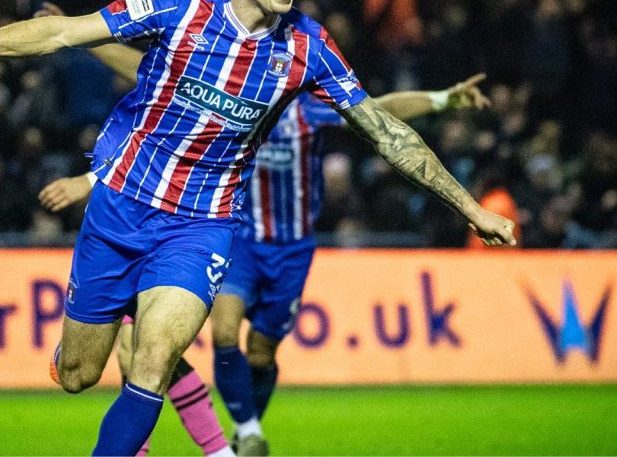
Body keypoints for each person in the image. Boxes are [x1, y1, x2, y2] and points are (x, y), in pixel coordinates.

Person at [0, 0, 515, 456]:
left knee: (151, 361)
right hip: (121, 205)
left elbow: (386, 132)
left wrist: (472, 209)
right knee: (79, 376)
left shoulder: (307, 46)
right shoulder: (180, 4)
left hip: (201, 225)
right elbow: (63, 32)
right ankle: (76, 352)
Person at [40, 76, 492, 456]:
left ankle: (239, 430)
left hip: (293, 248)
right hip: (235, 238)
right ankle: (241, 436)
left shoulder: (305, 109)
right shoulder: (211, 93)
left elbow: (380, 110)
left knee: (258, 351)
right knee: (206, 336)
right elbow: (142, 103)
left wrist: (442, 99)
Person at [36, 0, 236, 457]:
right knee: (134, 362)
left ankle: (214, 452)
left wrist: (80, 36)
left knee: (146, 356)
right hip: (134, 218)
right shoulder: (166, 74)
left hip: (192, 225)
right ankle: (219, 451)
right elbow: (133, 146)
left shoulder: (221, 68)